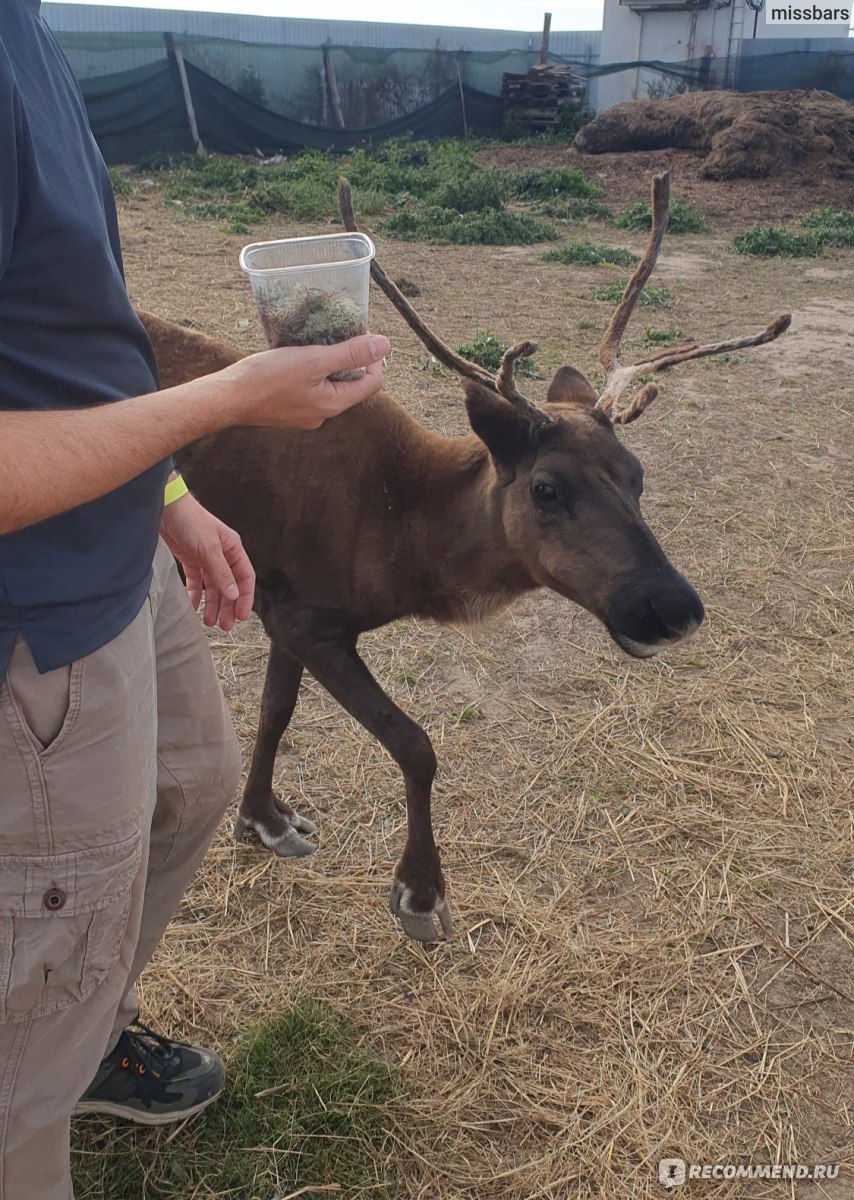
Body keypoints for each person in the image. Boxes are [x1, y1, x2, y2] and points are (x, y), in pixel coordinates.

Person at [0, 2, 390, 1196]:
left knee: (191, 788)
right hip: (36, 616)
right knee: (28, 1001)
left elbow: (52, 336)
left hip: (112, 551)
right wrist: (220, 403)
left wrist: (166, 491)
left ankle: (80, 1022)